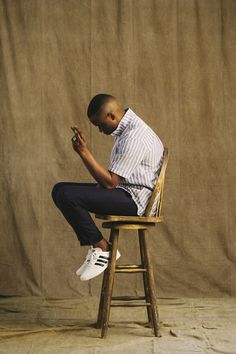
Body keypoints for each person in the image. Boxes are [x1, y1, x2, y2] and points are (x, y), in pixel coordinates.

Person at [51, 94, 164, 281]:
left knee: (65, 194)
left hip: (135, 202)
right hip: (125, 193)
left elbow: (111, 182)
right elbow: (113, 182)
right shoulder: (127, 130)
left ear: (111, 116)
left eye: (100, 125)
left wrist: (84, 153)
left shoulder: (134, 137)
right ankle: (100, 247)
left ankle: (103, 248)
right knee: (60, 189)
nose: (100, 131)